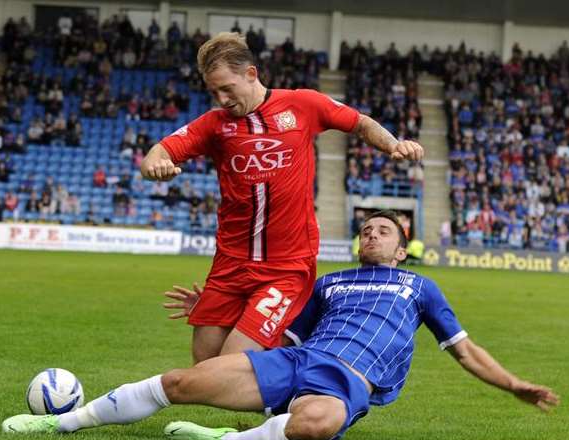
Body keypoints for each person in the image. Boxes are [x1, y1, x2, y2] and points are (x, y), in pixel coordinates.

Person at [2, 210, 559, 440]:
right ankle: (62, 426)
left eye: (383, 230)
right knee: (182, 380)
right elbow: (278, 330)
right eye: (366, 229)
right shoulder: (328, 283)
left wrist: (513, 385)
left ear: (402, 245)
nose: (371, 234)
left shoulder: (420, 289)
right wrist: (214, 307)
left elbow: (465, 351)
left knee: (316, 422)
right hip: (296, 361)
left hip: (346, 381)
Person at [140, 32, 424, 363]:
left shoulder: (303, 104)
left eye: (227, 88)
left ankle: (292, 401)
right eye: (213, 91)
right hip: (230, 263)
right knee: (205, 363)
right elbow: (157, 154)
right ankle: (279, 392)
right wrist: (155, 167)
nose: (221, 99)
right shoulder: (214, 125)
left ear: (251, 74)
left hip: (285, 265)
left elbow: (359, 123)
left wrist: (392, 144)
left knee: (230, 366)